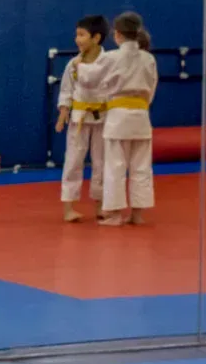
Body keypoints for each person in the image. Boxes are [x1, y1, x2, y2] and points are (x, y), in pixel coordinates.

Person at [75, 12, 158, 226]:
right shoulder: (149, 58)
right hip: (141, 116)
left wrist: (79, 65)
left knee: (115, 166)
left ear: (117, 34)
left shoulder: (111, 57)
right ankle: (137, 215)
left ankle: (114, 214)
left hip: (118, 117)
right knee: (141, 167)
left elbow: (89, 79)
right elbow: (151, 88)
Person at [56, 15, 110, 222]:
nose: (77, 39)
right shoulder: (73, 63)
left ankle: (100, 206)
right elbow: (66, 91)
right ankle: (69, 208)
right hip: (79, 118)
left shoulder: (108, 62)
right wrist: (63, 114)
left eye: (81, 35)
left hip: (103, 117)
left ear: (96, 38)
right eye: (76, 34)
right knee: (73, 161)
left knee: (101, 162)